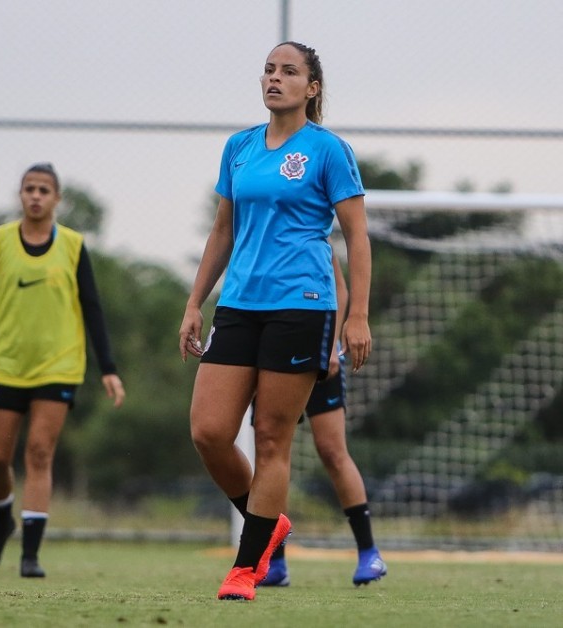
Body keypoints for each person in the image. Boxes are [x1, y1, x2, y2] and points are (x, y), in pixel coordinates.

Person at [178, 41, 373, 601]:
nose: (275, 78)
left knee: (270, 438)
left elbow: (357, 237)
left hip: (303, 306)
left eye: (289, 72)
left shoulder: (328, 150)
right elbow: (222, 231)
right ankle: (269, 522)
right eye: (269, 69)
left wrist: (356, 314)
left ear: (311, 88)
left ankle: (245, 568)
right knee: (210, 432)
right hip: (238, 305)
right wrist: (195, 302)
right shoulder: (239, 147)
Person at [0, 162, 125, 578]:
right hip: (5, 365)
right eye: (29, 188)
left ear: (57, 199)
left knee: (40, 454)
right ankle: (0, 524)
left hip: (58, 366)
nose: (36, 196)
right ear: (20, 195)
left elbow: (93, 308)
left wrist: (109, 368)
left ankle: (30, 554)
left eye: (45, 190)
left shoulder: (74, 246)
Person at [259, 255, 386, 587]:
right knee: (272, 452)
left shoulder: (309, 229)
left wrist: (329, 348)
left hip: (318, 351)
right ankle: (275, 560)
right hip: (273, 352)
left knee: (332, 451)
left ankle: (368, 552)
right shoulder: (252, 231)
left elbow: (340, 291)